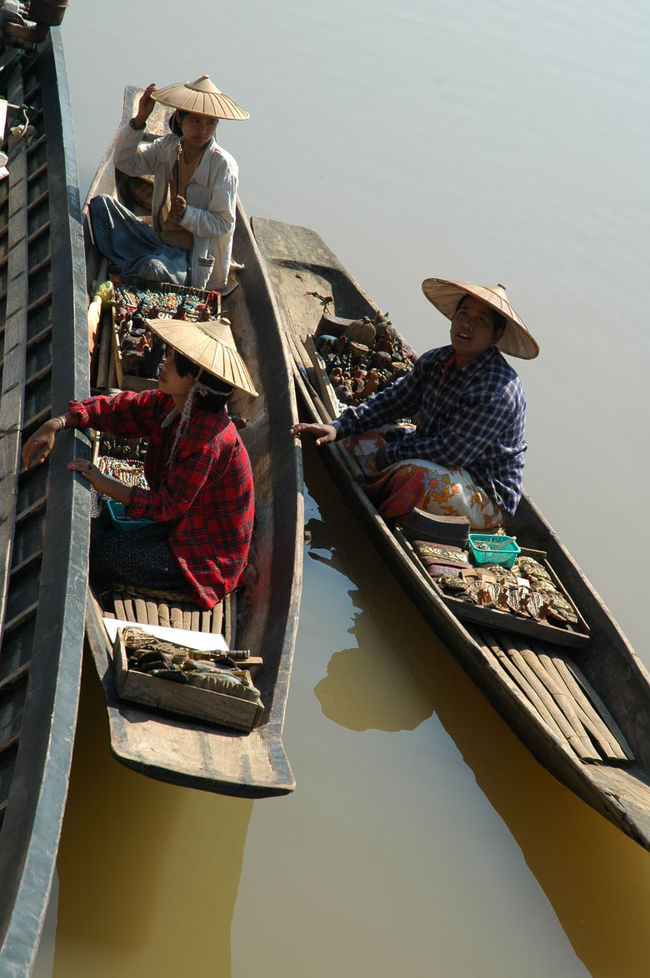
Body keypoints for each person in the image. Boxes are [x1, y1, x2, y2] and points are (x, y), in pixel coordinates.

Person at [22, 318, 258, 609]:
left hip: (202, 554)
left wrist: (106, 483)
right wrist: (58, 422)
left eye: (175, 362)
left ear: (197, 380)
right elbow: (123, 409)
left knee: (98, 553)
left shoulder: (208, 440)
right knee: (88, 502)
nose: (165, 365)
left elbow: (166, 506)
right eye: (169, 356)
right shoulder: (171, 404)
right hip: (178, 525)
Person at [291, 279, 539, 529]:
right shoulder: (437, 360)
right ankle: (373, 487)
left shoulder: (497, 390)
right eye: (463, 314)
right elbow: (393, 401)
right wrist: (339, 426)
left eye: (480, 321)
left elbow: (451, 452)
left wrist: (390, 454)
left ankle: (375, 517)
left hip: (482, 491)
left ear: (495, 335)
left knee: (414, 478)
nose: (467, 324)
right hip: (437, 457)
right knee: (352, 439)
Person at [88, 74, 249, 292]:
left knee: (152, 268)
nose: (203, 130)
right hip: (156, 240)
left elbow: (224, 223)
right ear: (179, 120)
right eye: (195, 121)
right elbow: (126, 163)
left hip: (188, 259)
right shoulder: (168, 146)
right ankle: (135, 262)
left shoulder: (223, 165)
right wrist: (140, 120)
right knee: (100, 205)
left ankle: (132, 264)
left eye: (210, 123)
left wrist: (187, 214)